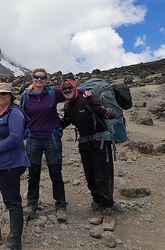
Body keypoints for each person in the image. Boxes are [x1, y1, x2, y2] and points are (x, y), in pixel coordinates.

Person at [21, 68, 90, 222]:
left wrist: (85, 91)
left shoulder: (53, 92)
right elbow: (23, 114)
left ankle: (60, 205)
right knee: (33, 171)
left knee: (55, 170)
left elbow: (72, 90)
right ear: (32, 78)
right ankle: (32, 204)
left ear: (46, 79)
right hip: (33, 138)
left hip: (51, 137)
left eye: (42, 77)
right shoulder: (26, 96)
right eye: (36, 77)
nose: (39, 80)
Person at [60, 79, 117, 231]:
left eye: (68, 88)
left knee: (103, 176)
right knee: (90, 176)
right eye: (64, 89)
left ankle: (108, 211)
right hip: (85, 144)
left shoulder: (87, 98)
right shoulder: (68, 106)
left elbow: (111, 114)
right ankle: (97, 206)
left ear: (74, 87)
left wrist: (93, 101)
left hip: (101, 143)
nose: (66, 91)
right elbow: (65, 122)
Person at [0, 82, 30, 250]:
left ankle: (15, 241)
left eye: (4, 94)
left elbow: (15, 138)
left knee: (12, 202)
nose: (0, 96)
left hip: (10, 163)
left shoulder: (15, 114)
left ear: (10, 96)